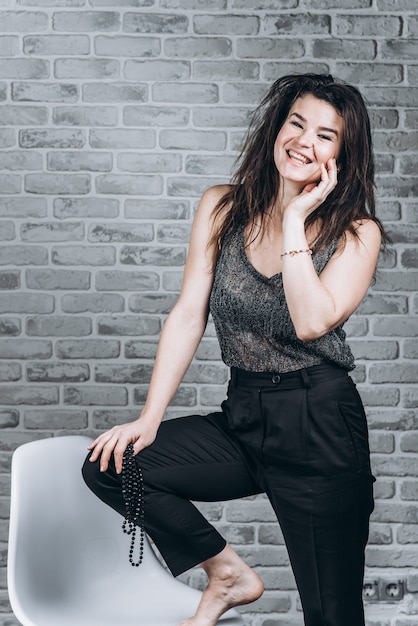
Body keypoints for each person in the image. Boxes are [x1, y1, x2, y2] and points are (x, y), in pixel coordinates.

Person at [82, 73, 389, 626]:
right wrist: (149, 419)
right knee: (115, 466)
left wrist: (295, 216)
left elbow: (312, 320)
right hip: (245, 413)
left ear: (343, 153)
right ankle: (228, 574)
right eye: (297, 123)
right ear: (277, 127)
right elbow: (187, 314)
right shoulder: (223, 207)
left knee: (332, 615)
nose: (304, 141)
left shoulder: (356, 233)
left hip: (319, 424)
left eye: (326, 135)